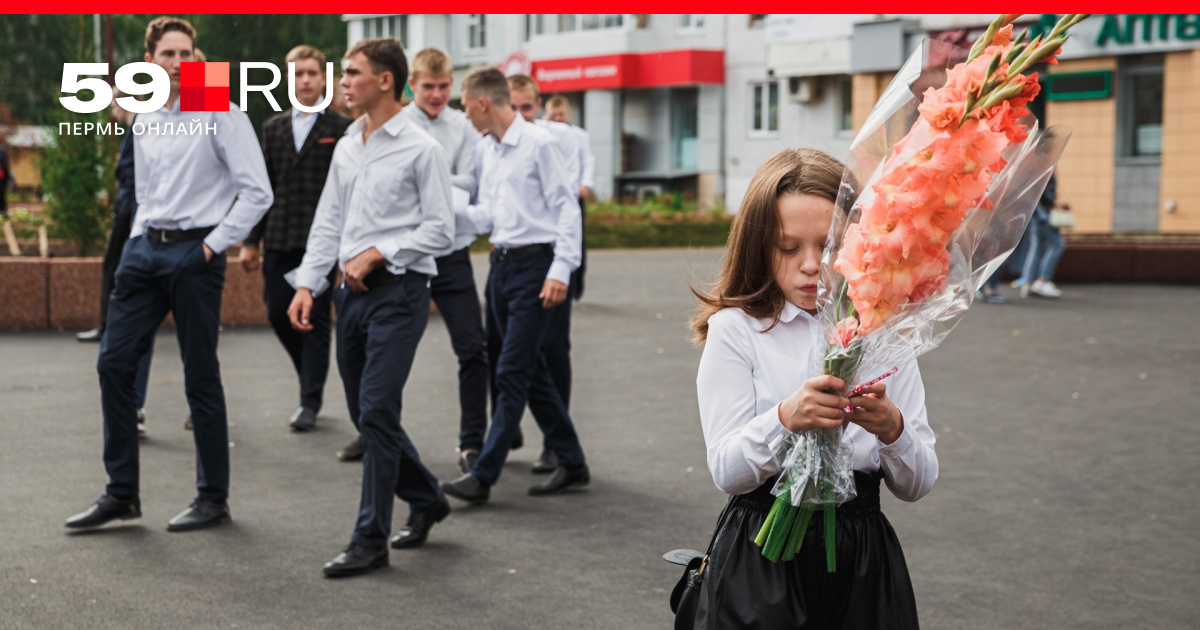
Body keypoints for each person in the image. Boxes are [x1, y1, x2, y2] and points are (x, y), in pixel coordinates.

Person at [690, 149, 938, 627]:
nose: (810, 265)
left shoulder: (883, 330)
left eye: (828, 247)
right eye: (788, 247)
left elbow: (919, 481)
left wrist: (893, 429)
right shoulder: (737, 329)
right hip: (763, 551)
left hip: (861, 559)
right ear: (758, 247)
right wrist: (784, 418)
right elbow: (727, 469)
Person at [65, 17, 273, 532]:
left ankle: (213, 498)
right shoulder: (146, 113)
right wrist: (138, 237)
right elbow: (147, 186)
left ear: (196, 57)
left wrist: (209, 249)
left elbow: (257, 192)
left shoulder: (220, 107)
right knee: (113, 364)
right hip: (145, 252)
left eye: (185, 53)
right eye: (167, 54)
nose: (177, 64)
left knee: (199, 376)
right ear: (150, 60)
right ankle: (121, 494)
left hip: (194, 255)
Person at [286, 37, 454, 577]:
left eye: (352, 73)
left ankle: (369, 539)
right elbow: (328, 222)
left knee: (378, 410)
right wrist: (308, 284)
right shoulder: (347, 145)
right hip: (347, 296)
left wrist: (381, 252)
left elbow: (441, 229)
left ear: (385, 80)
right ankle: (426, 497)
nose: (343, 82)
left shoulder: (422, 148)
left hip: (401, 294)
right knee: (367, 413)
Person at [440, 67, 589, 505]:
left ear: (484, 102)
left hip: (535, 267)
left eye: (466, 105)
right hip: (502, 267)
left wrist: (562, 269)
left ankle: (483, 474)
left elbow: (567, 208)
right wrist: (442, 201)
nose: (464, 114)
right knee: (532, 372)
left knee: (511, 372)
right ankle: (573, 460)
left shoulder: (539, 144)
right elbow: (487, 216)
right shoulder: (488, 150)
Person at [239, 45, 352, 436]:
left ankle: (310, 399)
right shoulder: (273, 128)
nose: (305, 80)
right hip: (281, 237)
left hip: (322, 243)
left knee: (315, 321)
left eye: (312, 73)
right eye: (298, 74)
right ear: (289, 80)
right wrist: (250, 241)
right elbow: (262, 185)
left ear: (324, 79)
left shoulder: (341, 129)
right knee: (276, 313)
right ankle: (308, 375)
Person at [399, 48, 490, 476]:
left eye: (443, 86)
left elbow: (471, 186)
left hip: (452, 255)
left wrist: (425, 178)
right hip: (410, 255)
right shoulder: (397, 124)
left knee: (473, 349)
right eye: (427, 86)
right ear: (412, 84)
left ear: (452, 84)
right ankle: (378, 430)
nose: (436, 94)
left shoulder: (464, 126)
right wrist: (442, 182)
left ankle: (472, 443)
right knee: (389, 352)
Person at [506, 74, 582, 475]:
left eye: (527, 108)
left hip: (552, 257)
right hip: (515, 264)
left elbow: (567, 208)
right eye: (513, 107)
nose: (520, 115)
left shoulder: (555, 140)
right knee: (511, 353)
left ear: (539, 106)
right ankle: (508, 427)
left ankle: (556, 444)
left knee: (552, 351)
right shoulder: (500, 144)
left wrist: (563, 267)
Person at [76, 90, 156, 436]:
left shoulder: (192, 109)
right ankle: (133, 406)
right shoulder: (147, 120)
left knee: (198, 351)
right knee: (135, 331)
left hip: (183, 242)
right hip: (142, 230)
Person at [543, 93, 594, 301]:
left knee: (576, 240)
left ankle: (576, 284)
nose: (557, 119)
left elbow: (587, 160)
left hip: (573, 194)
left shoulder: (580, 135)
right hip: (551, 197)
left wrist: (586, 184)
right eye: (553, 115)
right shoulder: (542, 131)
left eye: (560, 114)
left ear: (568, 113)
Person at [1014, 173, 1069, 299]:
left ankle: (1028, 284)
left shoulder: (1036, 168)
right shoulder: (1047, 168)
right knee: (1058, 243)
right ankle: (1043, 280)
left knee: (1036, 248)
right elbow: (1043, 194)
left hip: (1036, 216)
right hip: (1043, 215)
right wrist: (1054, 202)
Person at [0, 139, 13, 219]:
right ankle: (3, 212)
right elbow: (4, 163)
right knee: (1, 194)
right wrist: (8, 175)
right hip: (1, 175)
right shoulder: (2, 150)